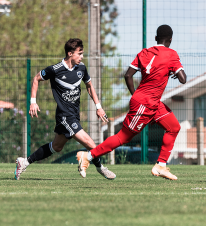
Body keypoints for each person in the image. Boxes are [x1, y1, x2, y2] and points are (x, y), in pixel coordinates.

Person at [76, 25, 187, 180]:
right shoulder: (171, 54)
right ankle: (88, 156)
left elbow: (128, 75)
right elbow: (183, 79)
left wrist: (136, 95)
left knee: (174, 127)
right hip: (146, 103)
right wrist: (174, 72)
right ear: (170, 40)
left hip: (152, 102)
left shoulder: (144, 53)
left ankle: (161, 166)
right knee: (123, 137)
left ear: (155, 38)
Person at [14, 38, 116, 180]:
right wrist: (33, 102)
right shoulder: (55, 70)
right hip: (64, 116)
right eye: (79, 53)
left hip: (74, 114)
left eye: (82, 53)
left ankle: (24, 162)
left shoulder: (81, 68)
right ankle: (101, 168)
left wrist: (98, 107)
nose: (81, 57)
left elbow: (89, 85)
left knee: (56, 147)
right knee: (91, 144)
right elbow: (36, 78)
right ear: (70, 53)